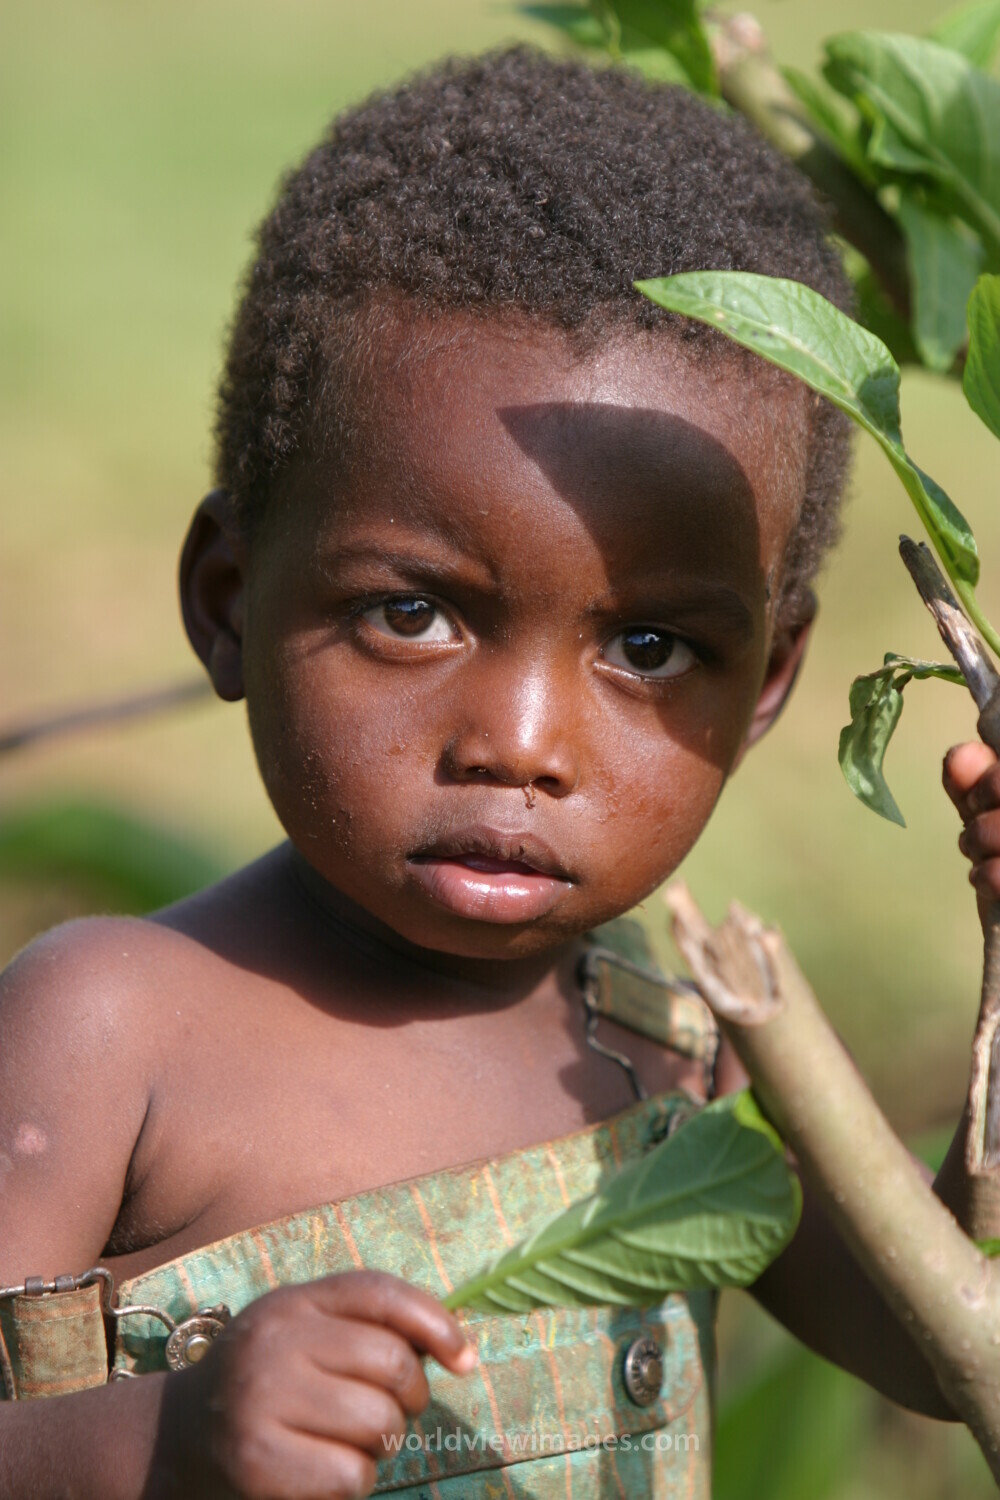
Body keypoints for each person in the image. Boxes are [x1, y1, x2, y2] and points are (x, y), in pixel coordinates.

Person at [1, 45, 997, 1500]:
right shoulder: (107, 1035)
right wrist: (160, 1439)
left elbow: (943, 1339)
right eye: (413, 614)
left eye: (650, 647)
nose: (521, 742)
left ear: (768, 682)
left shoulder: (670, 1047)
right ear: (227, 597)